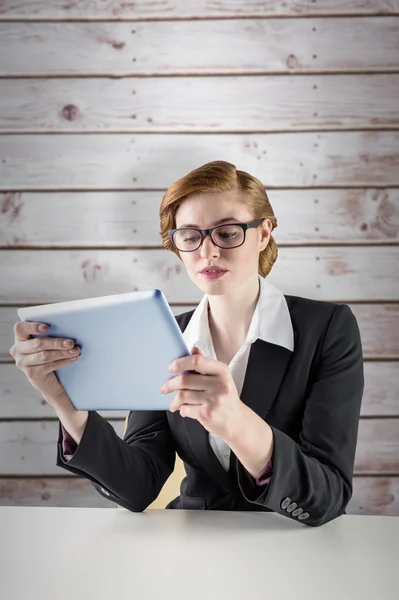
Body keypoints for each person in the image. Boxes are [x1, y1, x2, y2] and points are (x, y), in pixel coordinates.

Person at [10, 160, 364, 527]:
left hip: (292, 546)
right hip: (190, 548)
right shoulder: (164, 335)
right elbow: (140, 484)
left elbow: (329, 495)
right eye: (191, 236)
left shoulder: (327, 330)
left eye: (227, 233)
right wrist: (67, 403)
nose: (207, 252)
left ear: (263, 234)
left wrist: (235, 422)